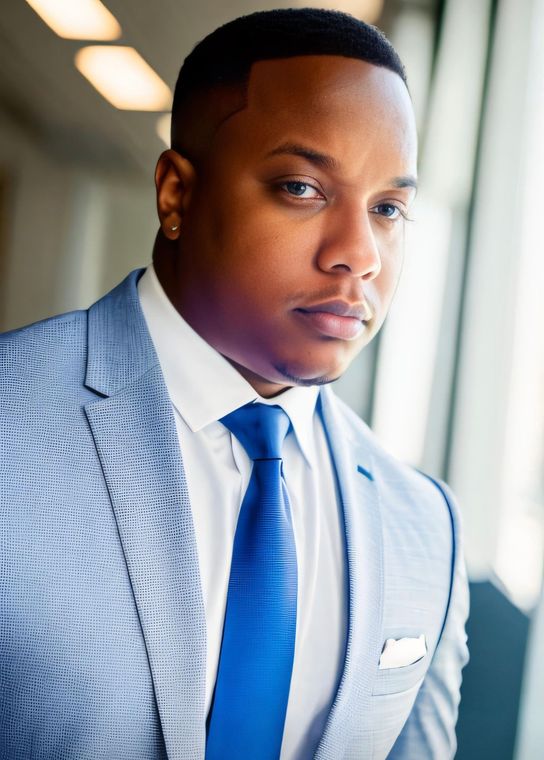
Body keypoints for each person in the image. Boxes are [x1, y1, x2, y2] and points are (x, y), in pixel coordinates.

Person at [0, 8, 469, 760]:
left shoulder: (425, 524)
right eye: (301, 188)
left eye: (387, 208)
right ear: (177, 195)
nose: (360, 254)